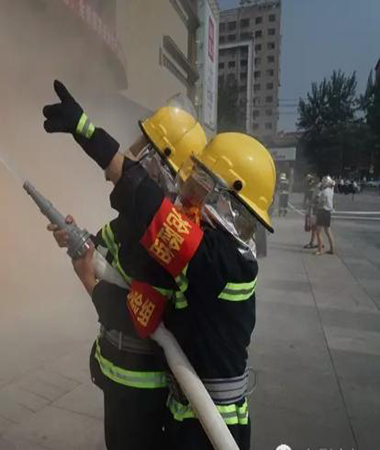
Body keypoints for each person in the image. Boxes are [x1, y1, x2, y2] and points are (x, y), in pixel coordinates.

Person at [43, 80, 276, 450]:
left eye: (201, 182)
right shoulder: (227, 253)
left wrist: (86, 132)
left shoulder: (216, 259)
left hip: (206, 427)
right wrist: (79, 242)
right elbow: (127, 222)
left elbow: (144, 201)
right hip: (194, 414)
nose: (188, 189)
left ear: (227, 199)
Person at [315, 175, 336, 255]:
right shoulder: (331, 190)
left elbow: (320, 202)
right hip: (328, 212)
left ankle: (320, 250)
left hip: (322, 211)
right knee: (328, 231)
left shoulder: (324, 192)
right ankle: (332, 249)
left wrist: (316, 202)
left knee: (318, 232)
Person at [303, 174, 319, 249]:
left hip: (313, 208)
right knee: (316, 226)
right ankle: (318, 242)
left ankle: (313, 242)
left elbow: (313, 198)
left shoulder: (313, 187)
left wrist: (309, 206)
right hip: (314, 208)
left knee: (314, 226)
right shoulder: (315, 186)